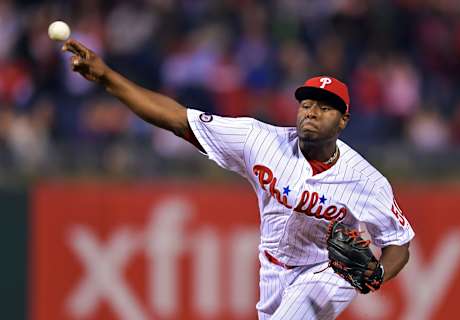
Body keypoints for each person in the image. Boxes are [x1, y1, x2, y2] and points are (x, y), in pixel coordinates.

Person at [62, 39, 414, 320]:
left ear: (343, 121)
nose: (312, 111)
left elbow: (399, 241)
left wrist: (379, 273)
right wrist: (107, 77)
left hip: (328, 270)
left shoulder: (365, 180)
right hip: (273, 269)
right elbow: (177, 119)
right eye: (307, 103)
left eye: (325, 106)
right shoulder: (259, 140)